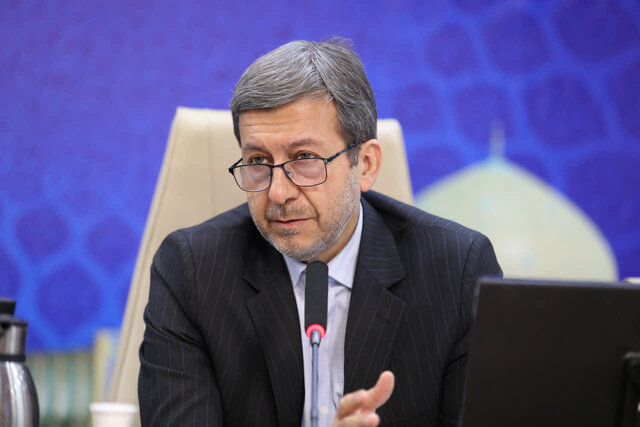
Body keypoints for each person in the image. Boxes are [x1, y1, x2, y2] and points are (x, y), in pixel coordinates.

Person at [138, 39, 501, 427]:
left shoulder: (457, 271)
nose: (278, 193)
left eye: (304, 158)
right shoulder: (193, 271)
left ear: (365, 164)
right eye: (258, 160)